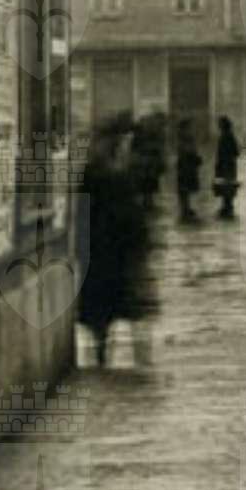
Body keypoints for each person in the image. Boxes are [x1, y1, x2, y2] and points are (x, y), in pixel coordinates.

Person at [77, 116, 156, 367]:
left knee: (114, 307)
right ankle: (121, 356)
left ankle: (110, 354)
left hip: (110, 250)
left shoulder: (109, 173)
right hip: (105, 250)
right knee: (112, 307)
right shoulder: (104, 174)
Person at [129, 111, 166, 210]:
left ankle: (148, 202)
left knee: (149, 183)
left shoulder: (154, 133)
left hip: (150, 163)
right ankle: (145, 202)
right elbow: (137, 149)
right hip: (144, 163)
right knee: (144, 183)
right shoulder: (142, 135)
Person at [213, 114, 240, 219]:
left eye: (219, 123)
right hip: (228, 165)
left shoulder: (227, 136)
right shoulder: (227, 135)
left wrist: (225, 159)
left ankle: (228, 208)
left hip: (226, 166)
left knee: (226, 187)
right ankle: (226, 207)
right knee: (225, 186)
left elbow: (235, 152)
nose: (218, 126)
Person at [176, 118, 202, 223]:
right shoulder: (184, 138)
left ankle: (186, 208)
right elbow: (187, 150)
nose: (191, 129)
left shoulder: (185, 138)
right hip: (186, 166)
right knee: (184, 189)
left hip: (187, 166)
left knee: (186, 189)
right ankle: (185, 209)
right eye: (189, 127)